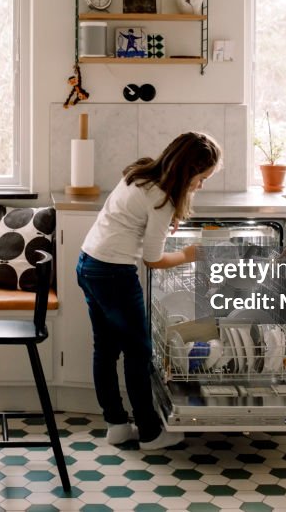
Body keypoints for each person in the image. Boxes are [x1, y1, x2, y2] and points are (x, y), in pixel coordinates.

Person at [76, 132, 222, 451]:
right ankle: (150, 432)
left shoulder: (141, 172)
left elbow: (134, 217)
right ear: (187, 172)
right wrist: (189, 254)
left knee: (106, 349)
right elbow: (153, 260)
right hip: (114, 272)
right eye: (201, 178)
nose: (201, 185)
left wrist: (164, 225)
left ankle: (116, 425)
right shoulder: (163, 199)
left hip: (89, 262)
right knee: (138, 353)